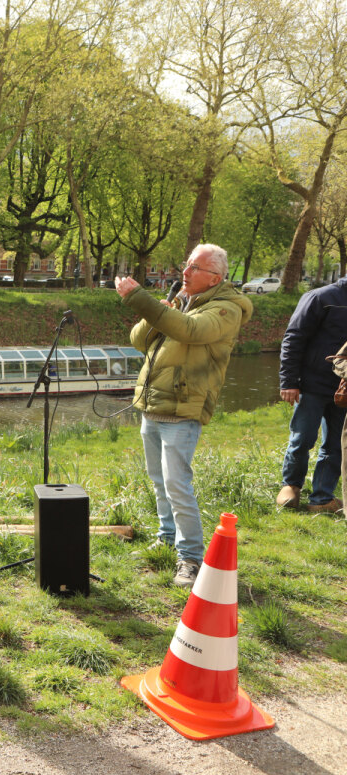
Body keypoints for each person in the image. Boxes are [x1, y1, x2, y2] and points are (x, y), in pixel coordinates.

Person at [114, 244, 253, 588]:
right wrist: (156, 312)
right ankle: (167, 535)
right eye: (186, 266)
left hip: (184, 407)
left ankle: (190, 557)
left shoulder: (227, 308)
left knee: (177, 484)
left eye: (195, 268)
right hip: (154, 404)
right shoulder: (181, 302)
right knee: (159, 480)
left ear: (215, 277)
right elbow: (138, 342)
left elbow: (191, 332)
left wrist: (141, 299)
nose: (185, 273)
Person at [275, 276, 347, 513]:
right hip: (311, 385)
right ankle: (291, 487)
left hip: (344, 387)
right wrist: (289, 381)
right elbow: (293, 338)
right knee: (302, 438)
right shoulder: (321, 297)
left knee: (337, 444)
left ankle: (322, 498)